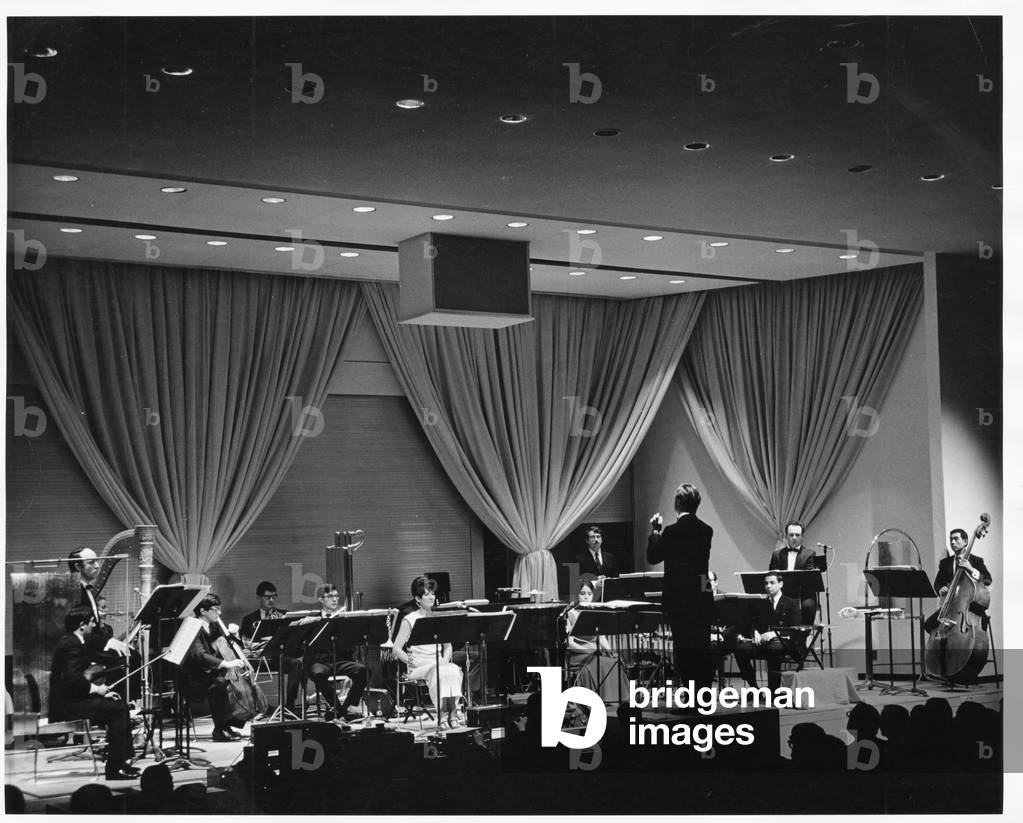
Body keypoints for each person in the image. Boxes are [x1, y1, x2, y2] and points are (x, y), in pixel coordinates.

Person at [48, 606, 139, 780]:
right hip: (67, 705)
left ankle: (121, 763)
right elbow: (72, 679)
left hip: (73, 699)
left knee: (119, 707)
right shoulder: (71, 644)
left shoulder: (73, 641)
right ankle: (115, 768)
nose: (93, 627)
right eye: (91, 623)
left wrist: (102, 694)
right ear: (82, 625)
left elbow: (76, 681)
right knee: (118, 709)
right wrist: (98, 689)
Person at [647, 483, 714, 690]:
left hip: (680, 601)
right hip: (701, 598)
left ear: (677, 503)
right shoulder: (706, 530)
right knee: (702, 648)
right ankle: (703, 696)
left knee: (684, 649)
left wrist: (655, 532)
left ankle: (690, 695)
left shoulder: (671, 531)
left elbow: (653, 556)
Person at [392, 576, 464, 729]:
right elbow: (396, 648)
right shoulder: (410, 619)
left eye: (433, 594)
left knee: (453, 669)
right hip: (418, 667)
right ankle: (443, 714)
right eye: (427, 594)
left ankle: (452, 713)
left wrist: (444, 661)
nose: (432, 597)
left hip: (438, 664)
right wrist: (409, 660)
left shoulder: (439, 617)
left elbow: (448, 646)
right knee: (438, 671)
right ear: (418, 598)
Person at [181, 593, 247, 741]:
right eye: (215, 609)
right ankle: (219, 729)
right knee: (220, 683)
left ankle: (226, 725)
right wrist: (226, 664)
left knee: (226, 682)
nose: (219, 612)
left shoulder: (215, 625)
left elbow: (230, 647)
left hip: (211, 673)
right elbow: (200, 656)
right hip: (195, 677)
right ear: (203, 611)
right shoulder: (193, 627)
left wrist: (234, 635)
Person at [304, 584, 368, 722]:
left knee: (364, 671)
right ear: (321, 599)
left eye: (336, 596)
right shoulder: (313, 619)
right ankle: (340, 710)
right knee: (318, 674)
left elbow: (352, 641)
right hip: (320, 661)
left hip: (339, 660)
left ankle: (343, 709)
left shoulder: (343, 619)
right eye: (330, 596)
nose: (334, 600)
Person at [239, 581, 301, 714]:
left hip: (276, 658)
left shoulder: (284, 616)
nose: (271, 600)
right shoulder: (249, 619)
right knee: (241, 668)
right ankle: (258, 707)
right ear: (259, 598)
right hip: (257, 660)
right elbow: (243, 641)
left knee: (295, 663)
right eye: (267, 597)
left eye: (274, 597)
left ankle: (290, 705)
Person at [563, 580, 629, 702]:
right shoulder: (570, 613)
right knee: (599, 662)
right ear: (577, 595)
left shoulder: (595, 611)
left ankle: (616, 698)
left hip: (594, 651)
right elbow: (570, 643)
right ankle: (600, 698)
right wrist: (589, 651)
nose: (586, 596)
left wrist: (609, 650)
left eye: (589, 593)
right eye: (582, 593)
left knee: (613, 661)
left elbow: (601, 636)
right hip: (578, 653)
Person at [734, 572, 800, 691]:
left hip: (783, 642)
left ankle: (773, 691)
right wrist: (754, 632)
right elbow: (753, 621)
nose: (768, 586)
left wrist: (774, 634)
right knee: (739, 649)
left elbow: (795, 629)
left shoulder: (791, 603)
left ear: (781, 584)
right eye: (766, 583)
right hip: (763, 643)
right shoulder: (760, 603)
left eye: (772, 583)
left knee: (774, 649)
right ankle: (754, 688)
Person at [924, 527, 993, 633]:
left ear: (965, 541)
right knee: (928, 624)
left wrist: (971, 569)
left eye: (956, 539)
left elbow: (988, 580)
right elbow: (937, 583)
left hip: (971, 608)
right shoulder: (945, 563)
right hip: (951, 607)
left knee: (981, 626)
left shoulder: (976, 560)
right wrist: (940, 589)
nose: (952, 542)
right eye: (951, 539)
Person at [768, 521, 818, 625]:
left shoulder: (810, 554)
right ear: (786, 536)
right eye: (791, 535)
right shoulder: (777, 555)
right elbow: (771, 577)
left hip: (802, 593)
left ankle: (802, 636)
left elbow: (809, 580)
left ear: (802, 536)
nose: (794, 538)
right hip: (783, 592)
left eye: (797, 535)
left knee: (808, 605)